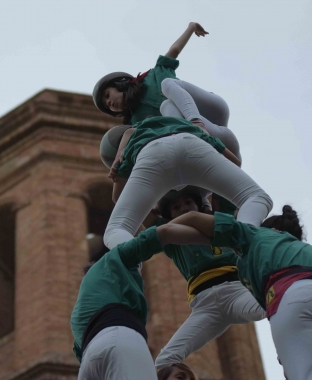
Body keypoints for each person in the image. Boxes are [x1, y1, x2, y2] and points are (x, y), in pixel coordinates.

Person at [171, 206, 312, 380]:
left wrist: (157, 237)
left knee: (309, 374)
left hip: (293, 295)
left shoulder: (254, 236)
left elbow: (193, 218)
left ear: (271, 229)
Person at [99, 116, 272, 249]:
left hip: (151, 153)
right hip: (191, 142)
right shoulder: (187, 125)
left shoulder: (133, 141)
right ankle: (245, 237)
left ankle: (131, 269)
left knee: (117, 228)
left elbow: (117, 197)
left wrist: (121, 176)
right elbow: (235, 162)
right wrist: (207, 187)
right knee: (255, 196)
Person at [71, 217, 210, 379]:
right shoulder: (117, 258)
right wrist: (217, 238)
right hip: (120, 337)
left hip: (88, 363)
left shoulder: (79, 310)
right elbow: (163, 233)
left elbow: (79, 350)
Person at [150, 187, 265, 371]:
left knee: (276, 304)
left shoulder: (221, 224)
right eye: (176, 206)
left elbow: (224, 182)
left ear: (199, 205)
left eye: (188, 202)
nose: (184, 208)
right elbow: (143, 216)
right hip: (205, 305)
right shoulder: (171, 240)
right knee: (164, 361)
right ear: (168, 215)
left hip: (235, 291)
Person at [92, 22, 241, 158]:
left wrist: (191, 27)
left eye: (107, 95)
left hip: (212, 110)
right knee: (167, 108)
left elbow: (175, 49)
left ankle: (196, 123)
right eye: (107, 105)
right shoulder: (136, 120)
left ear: (120, 83)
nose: (109, 102)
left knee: (168, 83)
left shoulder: (154, 75)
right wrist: (120, 156)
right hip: (213, 135)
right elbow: (131, 135)